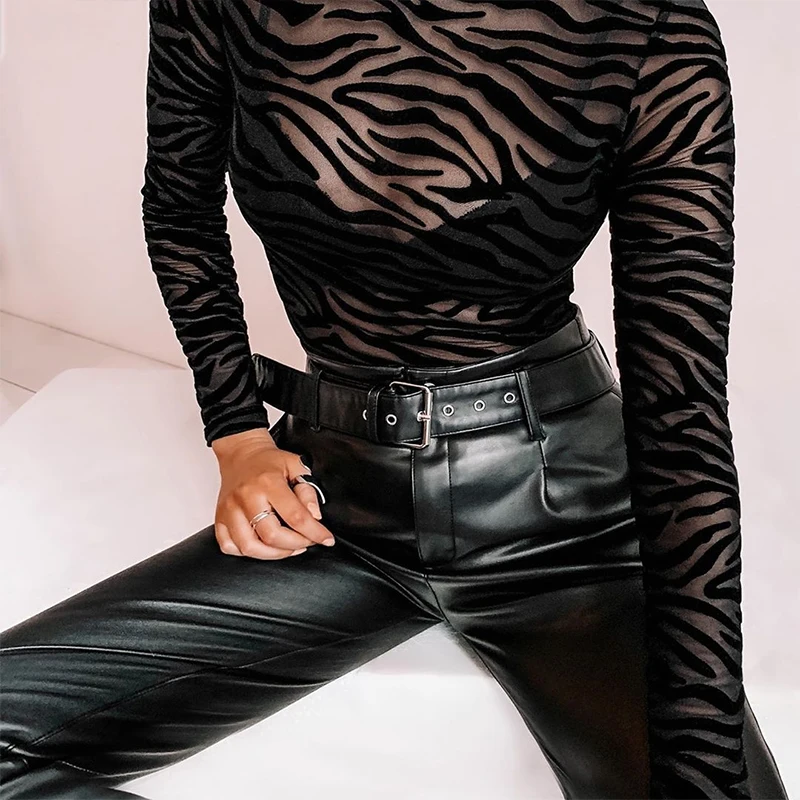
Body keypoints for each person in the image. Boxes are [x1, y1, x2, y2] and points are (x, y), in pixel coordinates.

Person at [0, 1, 789, 798]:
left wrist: (703, 755)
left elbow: (681, 412)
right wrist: (237, 432)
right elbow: (180, 211)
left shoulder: (652, 29)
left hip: (564, 517)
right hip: (334, 499)